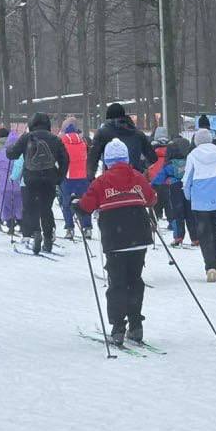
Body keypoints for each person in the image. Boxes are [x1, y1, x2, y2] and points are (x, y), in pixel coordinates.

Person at [75, 138, 156, 346]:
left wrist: (75, 204)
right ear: (126, 159)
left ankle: (118, 327)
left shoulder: (102, 181)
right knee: (135, 280)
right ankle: (136, 325)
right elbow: (151, 199)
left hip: (115, 239)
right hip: (139, 236)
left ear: (107, 161)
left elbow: (87, 206)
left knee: (117, 282)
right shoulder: (137, 176)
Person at [6, 113, 69, 256]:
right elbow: (65, 159)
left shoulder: (27, 137)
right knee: (46, 208)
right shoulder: (55, 139)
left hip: (31, 179)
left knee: (31, 207)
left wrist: (9, 149)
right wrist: (59, 177)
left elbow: (13, 155)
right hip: (49, 179)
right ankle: (48, 238)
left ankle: (35, 233)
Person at [184, 128, 216, 282]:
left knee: (205, 234)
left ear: (196, 141)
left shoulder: (192, 156)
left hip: (200, 202)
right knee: (214, 229)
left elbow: (187, 180)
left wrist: (188, 195)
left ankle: (210, 267)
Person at [87, 102, 157, 173]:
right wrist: (143, 168)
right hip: (134, 177)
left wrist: (91, 178)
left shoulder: (102, 134)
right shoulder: (138, 134)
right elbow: (153, 158)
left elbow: (93, 159)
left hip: (110, 179)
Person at [152, 140, 194, 245]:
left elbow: (159, 178)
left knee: (177, 214)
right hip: (188, 188)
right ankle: (195, 238)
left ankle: (178, 237)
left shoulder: (170, 165)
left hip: (175, 189)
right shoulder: (188, 161)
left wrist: (151, 186)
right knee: (191, 215)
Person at [59, 120, 92, 239]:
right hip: (82, 177)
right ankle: (87, 227)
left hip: (67, 177)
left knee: (66, 204)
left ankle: (69, 228)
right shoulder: (83, 143)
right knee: (84, 202)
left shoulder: (62, 143)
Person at [0, 130, 23, 234]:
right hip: (19, 185)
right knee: (20, 205)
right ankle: (21, 223)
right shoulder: (22, 153)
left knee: (4, 205)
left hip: (4, 186)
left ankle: (9, 223)